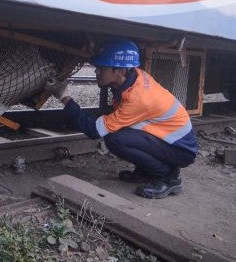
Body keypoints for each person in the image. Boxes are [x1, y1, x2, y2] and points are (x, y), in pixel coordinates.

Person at [45, 38, 197, 199]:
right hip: (171, 141)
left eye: (102, 68)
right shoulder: (134, 77)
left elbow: (94, 130)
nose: (97, 71)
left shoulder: (138, 99)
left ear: (121, 72)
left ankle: (169, 178)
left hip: (181, 149)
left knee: (116, 140)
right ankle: (147, 171)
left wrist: (64, 97)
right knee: (119, 130)